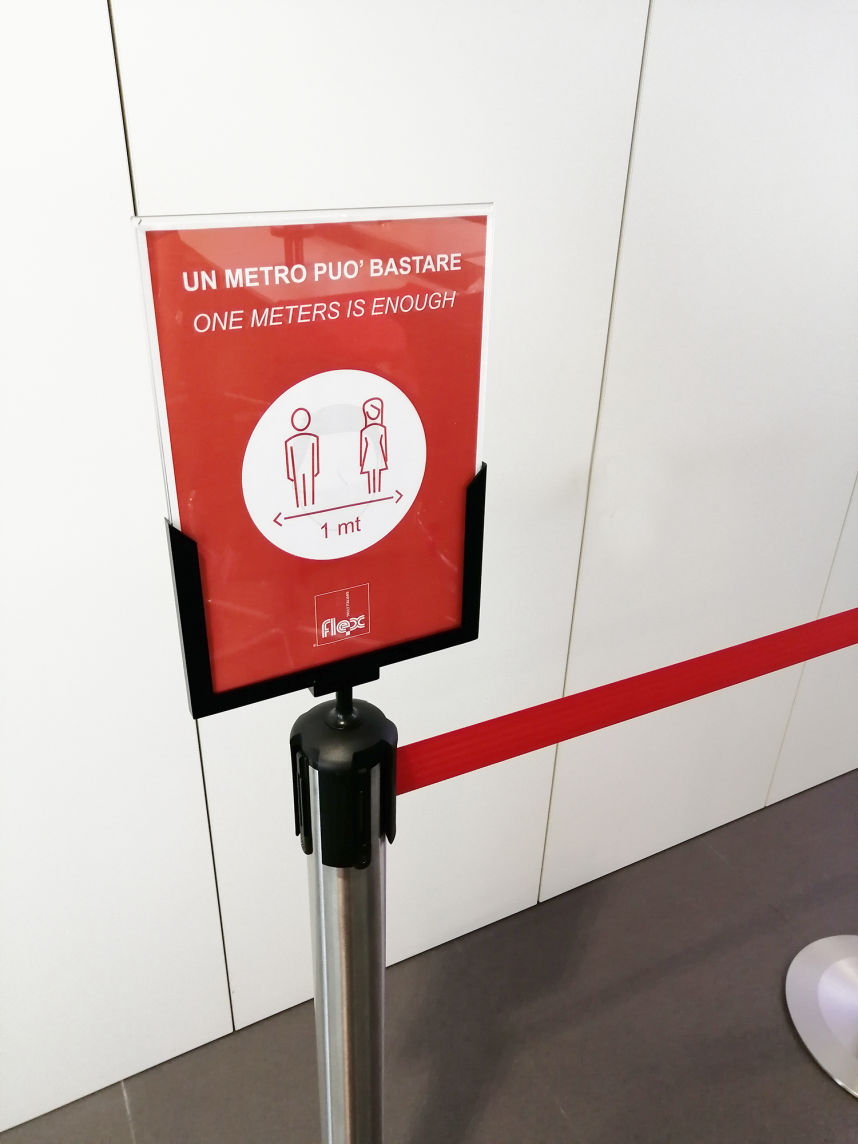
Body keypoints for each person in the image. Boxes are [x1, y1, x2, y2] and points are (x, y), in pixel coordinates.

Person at [285, 407, 319, 508]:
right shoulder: (291, 441)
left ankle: (309, 505)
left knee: (309, 490)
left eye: (304, 420)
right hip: (299, 470)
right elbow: (291, 458)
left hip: (309, 470)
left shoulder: (313, 438)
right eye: (301, 420)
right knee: (299, 492)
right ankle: (302, 506)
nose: (302, 423)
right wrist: (291, 474)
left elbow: (315, 456)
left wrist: (316, 471)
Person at [360, 397, 388, 494]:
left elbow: (383, 444)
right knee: (371, 473)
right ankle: (372, 491)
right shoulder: (365, 431)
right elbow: (363, 446)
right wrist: (362, 461)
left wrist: (385, 458)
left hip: (378, 453)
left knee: (377, 471)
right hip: (369, 454)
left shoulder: (381, 428)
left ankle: (377, 491)